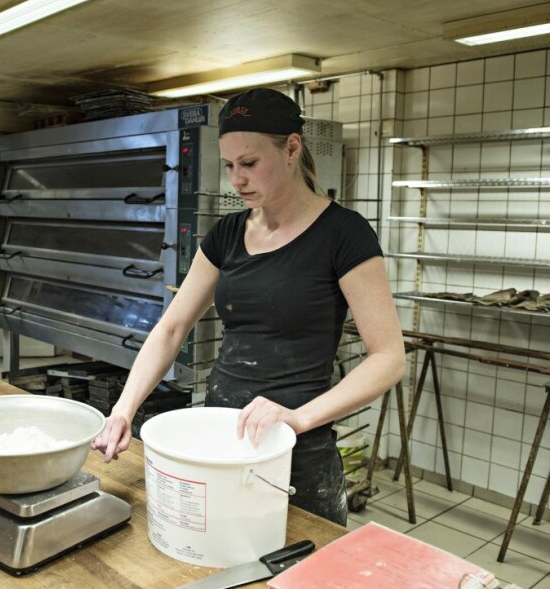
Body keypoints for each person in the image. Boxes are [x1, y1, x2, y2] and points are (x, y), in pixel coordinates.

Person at [91, 88, 405, 525]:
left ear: (292, 147)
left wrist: (296, 419)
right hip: (223, 435)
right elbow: (171, 329)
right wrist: (122, 410)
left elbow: (389, 358)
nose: (236, 179)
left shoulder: (344, 234)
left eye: (250, 163)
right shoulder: (227, 233)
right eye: (229, 166)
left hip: (299, 448)